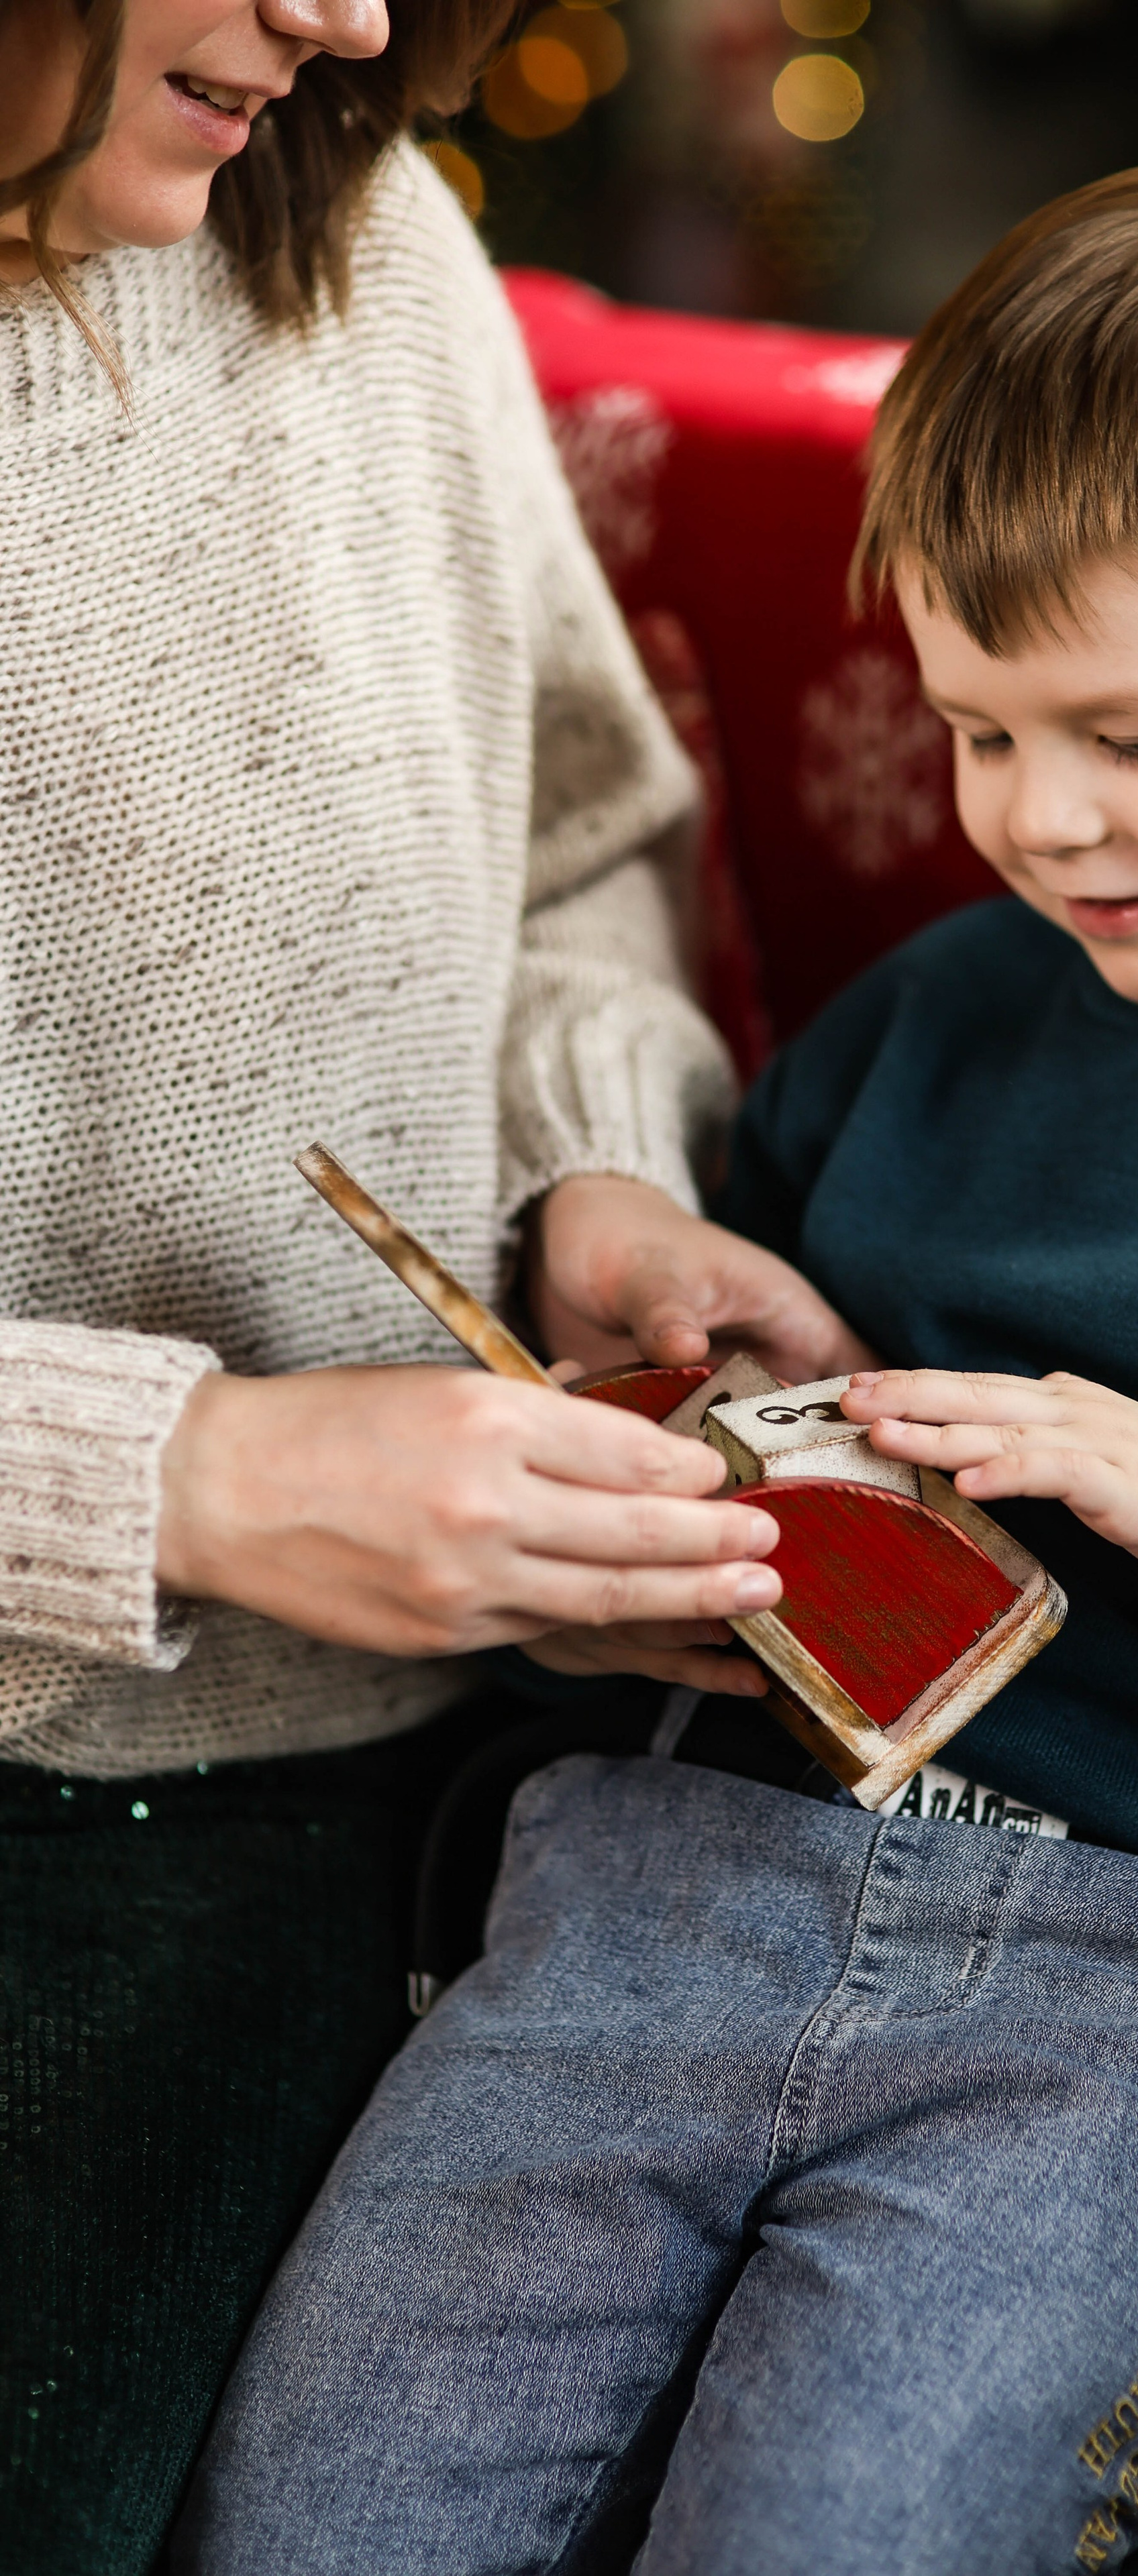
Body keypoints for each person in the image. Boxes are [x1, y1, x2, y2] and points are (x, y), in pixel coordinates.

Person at [179, 136, 1138, 2575]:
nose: (1038, 824)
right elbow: (719, 1428)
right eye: (984, 732)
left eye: (1130, 740)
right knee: (314, 2520)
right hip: (681, 1878)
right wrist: (668, 1352)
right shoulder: (933, 1017)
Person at [0, 3, 868, 2567]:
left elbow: (574, 859)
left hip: (429, 1829)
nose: (355, 16)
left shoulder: (372, 249)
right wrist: (185, 1476)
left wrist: (580, 1178)